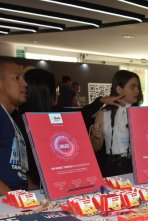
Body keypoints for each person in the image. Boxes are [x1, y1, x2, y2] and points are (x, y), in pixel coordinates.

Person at [18, 68, 125, 186]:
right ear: (43, 91)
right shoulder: (22, 121)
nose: (58, 93)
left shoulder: (52, 112)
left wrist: (101, 100)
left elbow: (79, 115)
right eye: (55, 89)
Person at [90, 70, 143, 177]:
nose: (137, 91)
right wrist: (96, 137)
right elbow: (95, 148)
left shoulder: (142, 114)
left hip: (138, 165)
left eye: (138, 87)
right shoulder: (103, 113)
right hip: (111, 167)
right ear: (119, 89)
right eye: (132, 87)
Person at [0, 61, 32, 195]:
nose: (25, 83)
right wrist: (11, 198)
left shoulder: (8, 116)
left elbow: (18, 169)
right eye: (16, 78)